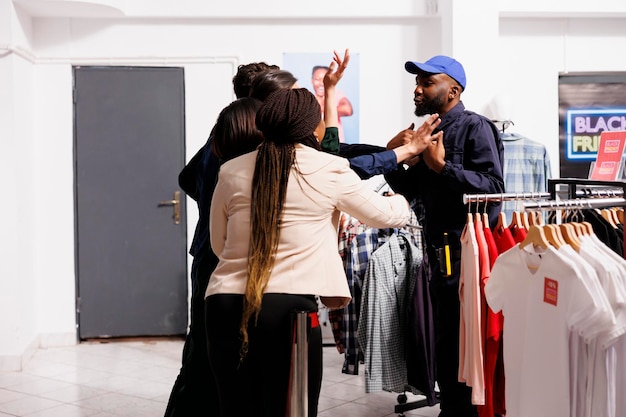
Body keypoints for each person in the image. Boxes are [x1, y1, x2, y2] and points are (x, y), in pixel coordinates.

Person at [204, 88, 413, 417]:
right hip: (289, 312)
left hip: (224, 303)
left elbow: (220, 244)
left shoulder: (230, 170)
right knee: (294, 409)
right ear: (313, 127)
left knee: (234, 408)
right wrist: (405, 197)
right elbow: (385, 215)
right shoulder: (330, 168)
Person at [384, 55, 505, 417]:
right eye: (416, 83)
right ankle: (452, 408)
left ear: (452, 90)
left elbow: (494, 190)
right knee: (445, 341)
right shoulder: (428, 132)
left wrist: (442, 167)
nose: (418, 89)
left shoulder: (475, 127)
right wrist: (394, 156)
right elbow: (413, 191)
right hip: (438, 254)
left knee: (460, 341)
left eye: (426, 82)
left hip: (464, 255)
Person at [164, 63, 275, 417]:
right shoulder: (241, 140)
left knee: (206, 351)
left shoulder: (227, 135)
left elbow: (186, 177)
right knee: (209, 355)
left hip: (214, 257)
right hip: (219, 258)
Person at [311, 64, 353, 142]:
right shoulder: (309, 98)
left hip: (337, 144)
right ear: (312, 80)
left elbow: (347, 110)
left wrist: (322, 108)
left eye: (324, 79)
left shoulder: (335, 94)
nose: (321, 83)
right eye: (317, 79)